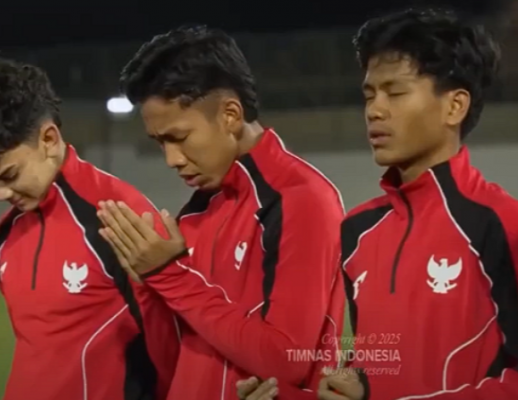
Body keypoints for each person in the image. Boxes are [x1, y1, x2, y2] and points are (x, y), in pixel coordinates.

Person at [95, 25, 346, 399]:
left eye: (179, 137)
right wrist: (147, 286)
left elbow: (286, 360)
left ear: (230, 114)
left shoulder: (300, 199)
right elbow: (174, 366)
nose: (172, 159)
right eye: (160, 142)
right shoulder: (196, 211)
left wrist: (170, 276)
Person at [315, 8, 518, 400]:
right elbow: (370, 371)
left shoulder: (507, 224)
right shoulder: (356, 230)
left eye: (395, 93)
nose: (375, 110)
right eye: (369, 95)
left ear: (454, 106)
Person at [0, 57, 180, 400]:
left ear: (49, 139)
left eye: (9, 175)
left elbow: (176, 354)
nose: (0, 194)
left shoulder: (119, 216)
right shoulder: (4, 238)